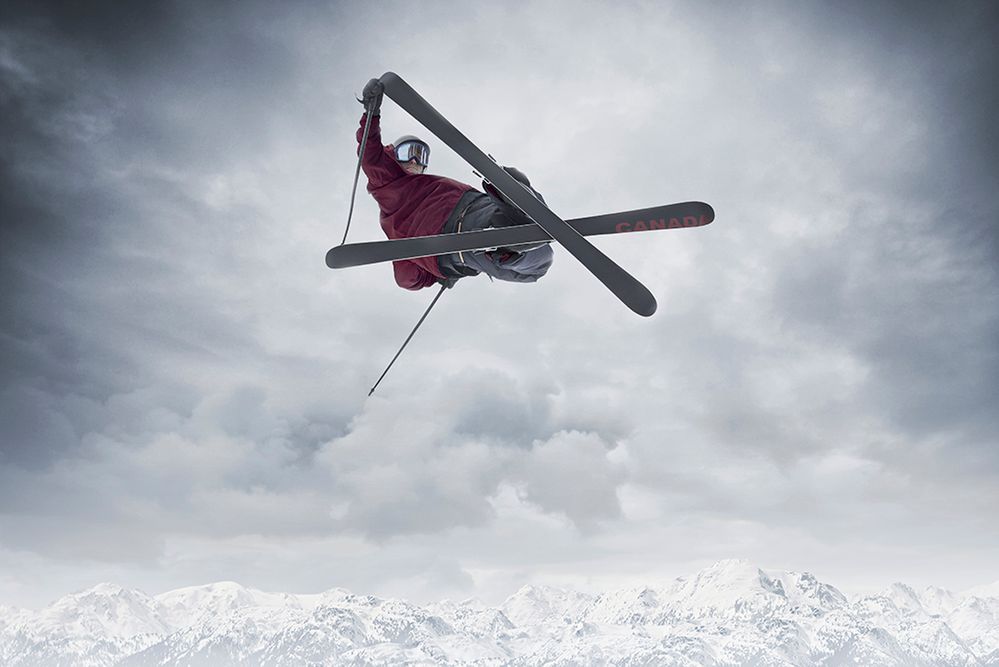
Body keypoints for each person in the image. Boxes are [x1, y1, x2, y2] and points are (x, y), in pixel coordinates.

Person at [358, 78, 553, 291]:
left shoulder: (403, 228)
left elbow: (406, 278)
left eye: (420, 155)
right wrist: (371, 113)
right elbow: (370, 154)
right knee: (539, 263)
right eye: (409, 152)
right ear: (393, 155)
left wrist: (437, 274)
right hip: (457, 240)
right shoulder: (388, 181)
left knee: (540, 254)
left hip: (466, 225)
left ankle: (511, 207)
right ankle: (506, 237)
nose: (415, 161)